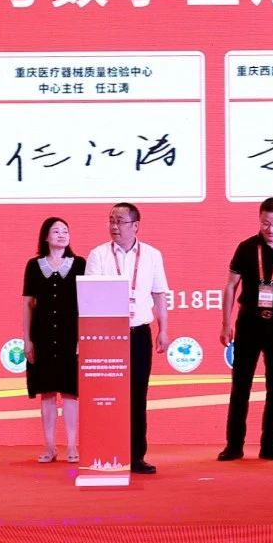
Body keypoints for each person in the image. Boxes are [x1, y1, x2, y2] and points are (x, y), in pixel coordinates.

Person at [217, 197, 273, 462]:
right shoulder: (246, 248)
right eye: (266, 223)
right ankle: (234, 445)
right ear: (259, 220)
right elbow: (231, 286)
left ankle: (270, 444)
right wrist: (226, 323)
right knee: (240, 386)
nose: (271, 229)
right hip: (249, 322)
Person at [85, 203, 170, 474]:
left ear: (135, 226)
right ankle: (107, 452)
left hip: (139, 333)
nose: (114, 226)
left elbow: (159, 293)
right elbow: (90, 296)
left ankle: (136, 455)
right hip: (108, 335)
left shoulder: (152, 255)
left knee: (137, 396)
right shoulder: (98, 255)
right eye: (111, 220)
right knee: (108, 397)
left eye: (120, 221)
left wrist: (164, 330)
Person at [23, 217, 86, 463]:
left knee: (71, 393)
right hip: (43, 336)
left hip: (71, 336)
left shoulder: (80, 264)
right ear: (46, 237)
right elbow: (27, 304)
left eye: (65, 231)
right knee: (47, 393)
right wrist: (27, 340)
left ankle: (72, 446)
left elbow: (88, 302)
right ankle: (49, 447)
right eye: (56, 231)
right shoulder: (33, 266)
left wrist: (84, 337)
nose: (62, 235)